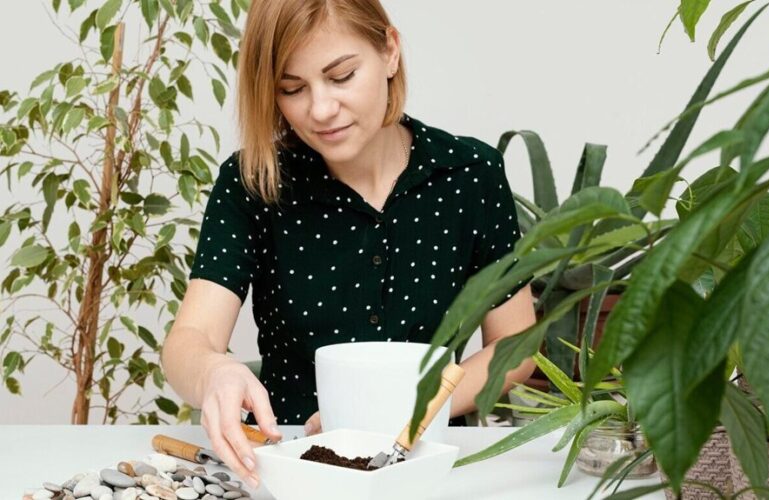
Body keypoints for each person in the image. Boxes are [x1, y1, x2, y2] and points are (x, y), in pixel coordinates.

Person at [161, 0, 537, 489]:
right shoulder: (252, 181)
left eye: (341, 77)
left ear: (390, 51)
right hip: (291, 471)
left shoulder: (471, 175)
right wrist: (213, 372)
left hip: (428, 467)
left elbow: (518, 347)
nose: (319, 109)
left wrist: (402, 414)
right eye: (291, 88)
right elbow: (189, 342)